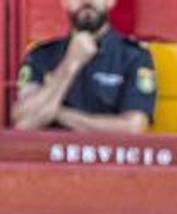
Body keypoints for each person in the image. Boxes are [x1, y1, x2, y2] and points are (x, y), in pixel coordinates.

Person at [12, 0, 155, 133]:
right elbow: (24, 122)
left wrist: (55, 112)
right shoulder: (41, 55)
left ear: (111, 1)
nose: (87, 1)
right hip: (48, 157)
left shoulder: (135, 56)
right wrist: (71, 62)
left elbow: (133, 127)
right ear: (64, 2)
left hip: (108, 158)